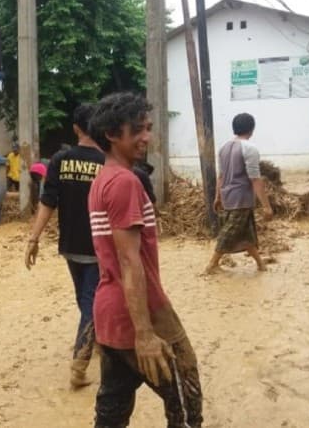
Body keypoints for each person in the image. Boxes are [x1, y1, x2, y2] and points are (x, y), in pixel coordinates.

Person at [87, 92, 202, 427]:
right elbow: (129, 261)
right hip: (143, 313)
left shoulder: (102, 180)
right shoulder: (125, 182)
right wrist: (145, 334)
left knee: (112, 412)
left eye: (148, 128)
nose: (146, 137)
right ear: (111, 134)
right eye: (137, 129)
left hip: (109, 314)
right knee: (186, 407)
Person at [24, 103, 105, 388]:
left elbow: (48, 201)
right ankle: (79, 366)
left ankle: (94, 341)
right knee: (90, 302)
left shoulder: (60, 160)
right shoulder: (107, 162)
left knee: (85, 298)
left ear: (75, 128)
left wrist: (33, 238)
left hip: (69, 244)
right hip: (99, 246)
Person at [204, 113, 273, 275]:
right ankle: (212, 264)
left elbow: (221, 176)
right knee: (229, 232)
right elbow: (255, 178)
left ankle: (260, 264)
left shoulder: (224, 148)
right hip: (241, 198)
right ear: (252, 129)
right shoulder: (250, 148)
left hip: (228, 197)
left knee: (246, 233)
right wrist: (266, 206)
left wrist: (218, 197)